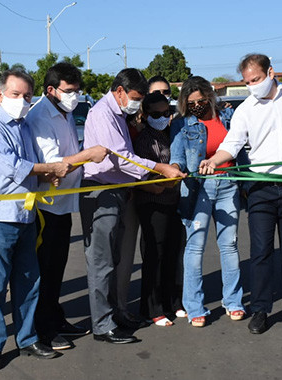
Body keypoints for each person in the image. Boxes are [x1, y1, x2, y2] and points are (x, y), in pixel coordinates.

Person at [199, 54, 282, 335]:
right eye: (247, 82)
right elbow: (232, 143)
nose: (252, 86)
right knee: (261, 251)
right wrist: (214, 161)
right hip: (260, 189)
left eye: (256, 79)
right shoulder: (246, 109)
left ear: (271, 72)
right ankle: (261, 309)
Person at [0, 69, 72, 371]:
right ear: (0, 95)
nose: (22, 100)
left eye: (27, 96)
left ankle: (27, 339)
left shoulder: (24, 127)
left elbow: (32, 172)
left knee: (29, 282)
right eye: (16, 95)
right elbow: (14, 167)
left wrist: (48, 178)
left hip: (26, 215)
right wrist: (50, 168)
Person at [80, 68, 186, 344]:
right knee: (101, 262)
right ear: (119, 91)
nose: (137, 104)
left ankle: (115, 314)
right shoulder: (103, 114)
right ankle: (103, 325)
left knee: (114, 260)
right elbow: (122, 159)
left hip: (116, 191)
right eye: (136, 98)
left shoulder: (117, 114)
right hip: (100, 191)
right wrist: (161, 168)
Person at [27, 62, 108, 349]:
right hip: (46, 206)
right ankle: (42, 329)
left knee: (57, 268)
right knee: (44, 270)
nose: (74, 95)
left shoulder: (64, 113)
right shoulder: (40, 117)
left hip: (63, 205)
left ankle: (56, 317)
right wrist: (90, 154)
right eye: (69, 90)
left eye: (77, 90)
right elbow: (55, 164)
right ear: (51, 90)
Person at [170, 76, 244, 327]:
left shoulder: (227, 117)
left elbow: (241, 149)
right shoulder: (182, 123)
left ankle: (233, 301)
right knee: (195, 247)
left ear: (210, 96)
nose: (198, 106)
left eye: (202, 101)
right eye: (192, 103)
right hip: (198, 187)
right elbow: (177, 156)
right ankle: (194, 306)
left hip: (229, 184)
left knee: (230, 245)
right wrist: (175, 169)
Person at [135, 92, 184, 326]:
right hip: (153, 202)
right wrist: (167, 179)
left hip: (173, 201)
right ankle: (152, 307)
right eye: (156, 114)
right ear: (144, 115)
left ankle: (172, 302)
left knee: (173, 253)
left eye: (167, 113)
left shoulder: (170, 134)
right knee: (155, 255)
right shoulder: (144, 139)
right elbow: (144, 176)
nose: (163, 117)